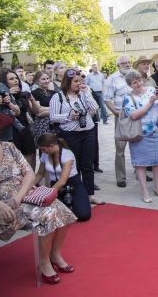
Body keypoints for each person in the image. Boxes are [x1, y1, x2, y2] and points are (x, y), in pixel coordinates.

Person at [0, 110, 76, 284]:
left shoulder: (9, 147)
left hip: (23, 196)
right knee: (47, 214)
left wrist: (18, 197)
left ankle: (54, 254)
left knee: (62, 209)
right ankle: (44, 263)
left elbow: (29, 174)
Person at [49, 69, 104, 205]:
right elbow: (53, 117)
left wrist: (87, 93)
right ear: (68, 82)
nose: (79, 84)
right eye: (76, 81)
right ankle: (76, 193)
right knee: (74, 165)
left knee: (87, 165)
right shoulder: (58, 97)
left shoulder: (83, 94)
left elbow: (95, 107)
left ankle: (90, 194)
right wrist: (69, 116)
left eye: (80, 81)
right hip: (70, 135)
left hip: (88, 132)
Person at [122, 70, 158, 203]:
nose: (138, 84)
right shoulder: (128, 98)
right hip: (139, 135)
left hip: (156, 132)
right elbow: (134, 115)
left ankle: (157, 188)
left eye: (139, 80)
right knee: (140, 164)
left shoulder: (152, 90)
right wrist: (150, 103)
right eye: (134, 82)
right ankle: (145, 192)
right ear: (130, 85)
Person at [34, 133, 91, 221]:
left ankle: (78, 201)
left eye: (43, 149)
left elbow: (62, 181)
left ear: (51, 146)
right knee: (51, 215)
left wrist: (48, 194)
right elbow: (40, 173)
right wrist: (29, 187)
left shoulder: (67, 154)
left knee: (83, 215)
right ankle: (68, 204)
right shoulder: (45, 155)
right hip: (56, 186)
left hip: (72, 184)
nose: (42, 152)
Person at [0, 69, 38, 169]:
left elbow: (36, 111)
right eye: (11, 79)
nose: (16, 80)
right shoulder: (2, 95)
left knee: (31, 154)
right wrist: (9, 94)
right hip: (11, 130)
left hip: (25, 128)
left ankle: (32, 181)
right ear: (4, 82)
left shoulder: (23, 94)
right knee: (16, 159)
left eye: (16, 78)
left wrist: (32, 99)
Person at [104, 56, 133, 187]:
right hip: (121, 116)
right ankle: (121, 178)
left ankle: (140, 173)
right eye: (124, 63)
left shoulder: (134, 75)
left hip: (137, 115)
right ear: (118, 65)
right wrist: (116, 113)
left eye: (128, 62)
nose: (127, 64)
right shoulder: (112, 78)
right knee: (120, 148)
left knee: (137, 146)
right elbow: (107, 99)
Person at [31, 71, 55, 144]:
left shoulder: (53, 93)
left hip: (55, 122)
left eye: (48, 78)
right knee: (45, 146)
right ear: (37, 81)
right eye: (43, 79)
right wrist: (54, 109)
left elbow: (61, 108)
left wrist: (45, 109)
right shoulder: (34, 93)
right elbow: (38, 111)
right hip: (42, 124)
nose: (47, 81)